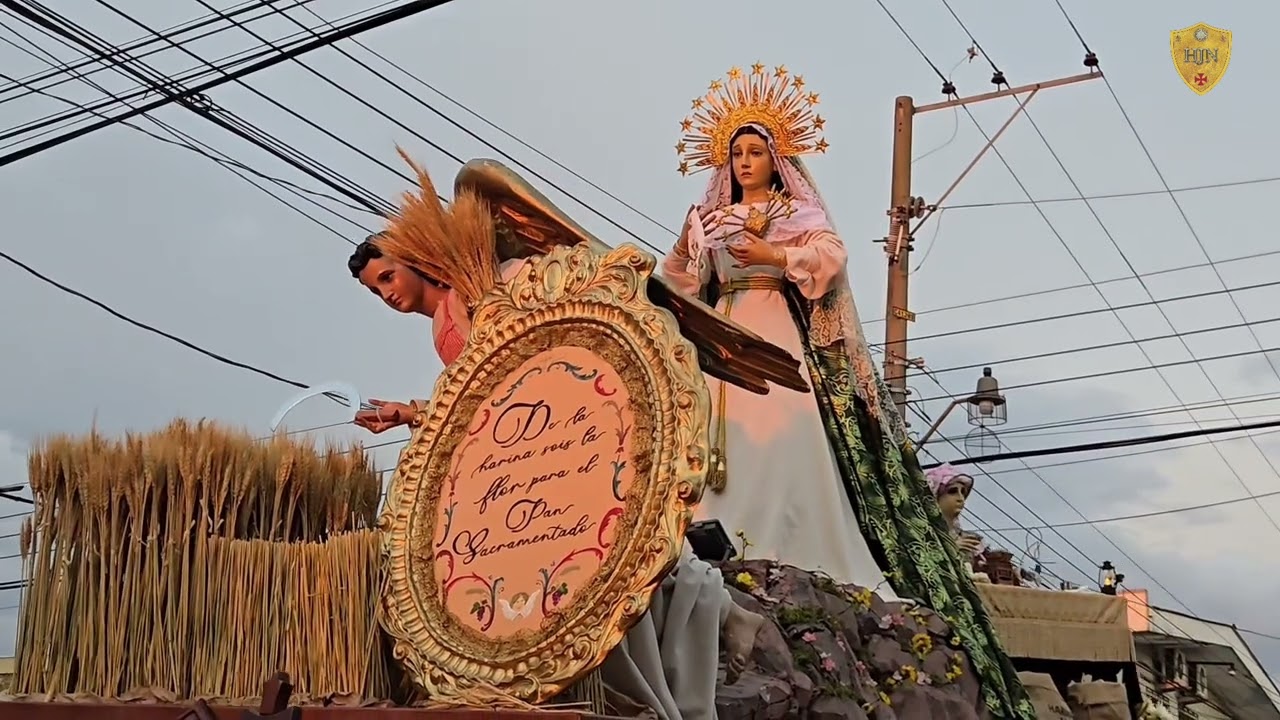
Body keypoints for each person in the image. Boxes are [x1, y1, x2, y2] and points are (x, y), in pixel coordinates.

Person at [663, 64, 1034, 719]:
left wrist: (774, 256)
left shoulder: (791, 211)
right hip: (717, 340)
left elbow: (828, 258)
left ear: (776, 160)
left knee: (783, 436)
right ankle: (719, 555)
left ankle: (791, 553)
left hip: (774, 331)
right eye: (736, 153)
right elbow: (681, 278)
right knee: (715, 446)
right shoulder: (706, 218)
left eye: (756, 152)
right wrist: (666, 283)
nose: (745, 161)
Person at [346, 154, 764, 720]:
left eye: (388, 277)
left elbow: (551, 331)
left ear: (415, 258)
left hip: (565, 428)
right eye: (376, 292)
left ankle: (715, 614)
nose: (387, 295)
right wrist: (410, 413)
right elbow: (475, 409)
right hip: (517, 457)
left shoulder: (492, 282)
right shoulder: (442, 328)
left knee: (621, 529)